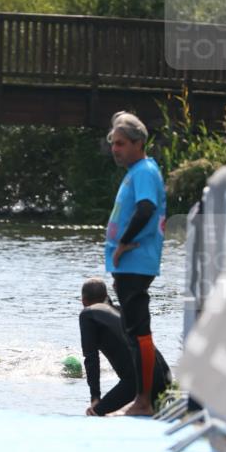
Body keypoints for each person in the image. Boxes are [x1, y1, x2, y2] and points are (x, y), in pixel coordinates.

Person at [105, 112, 166, 416]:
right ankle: (146, 397)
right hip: (129, 263)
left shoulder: (143, 171)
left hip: (136, 261)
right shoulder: (138, 170)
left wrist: (124, 242)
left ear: (138, 143)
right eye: (114, 144)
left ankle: (145, 400)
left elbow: (146, 208)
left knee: (138, 329)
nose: (116, 149)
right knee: (133, 330)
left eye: (121, 143)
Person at [79, 277, 171, 416]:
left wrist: (95, 398)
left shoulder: (88, 315)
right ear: (106, 296)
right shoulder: (120, 310)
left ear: (83, 301)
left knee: (96, 414)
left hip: (137, 381)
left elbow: (91, 358)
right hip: (165, 376)